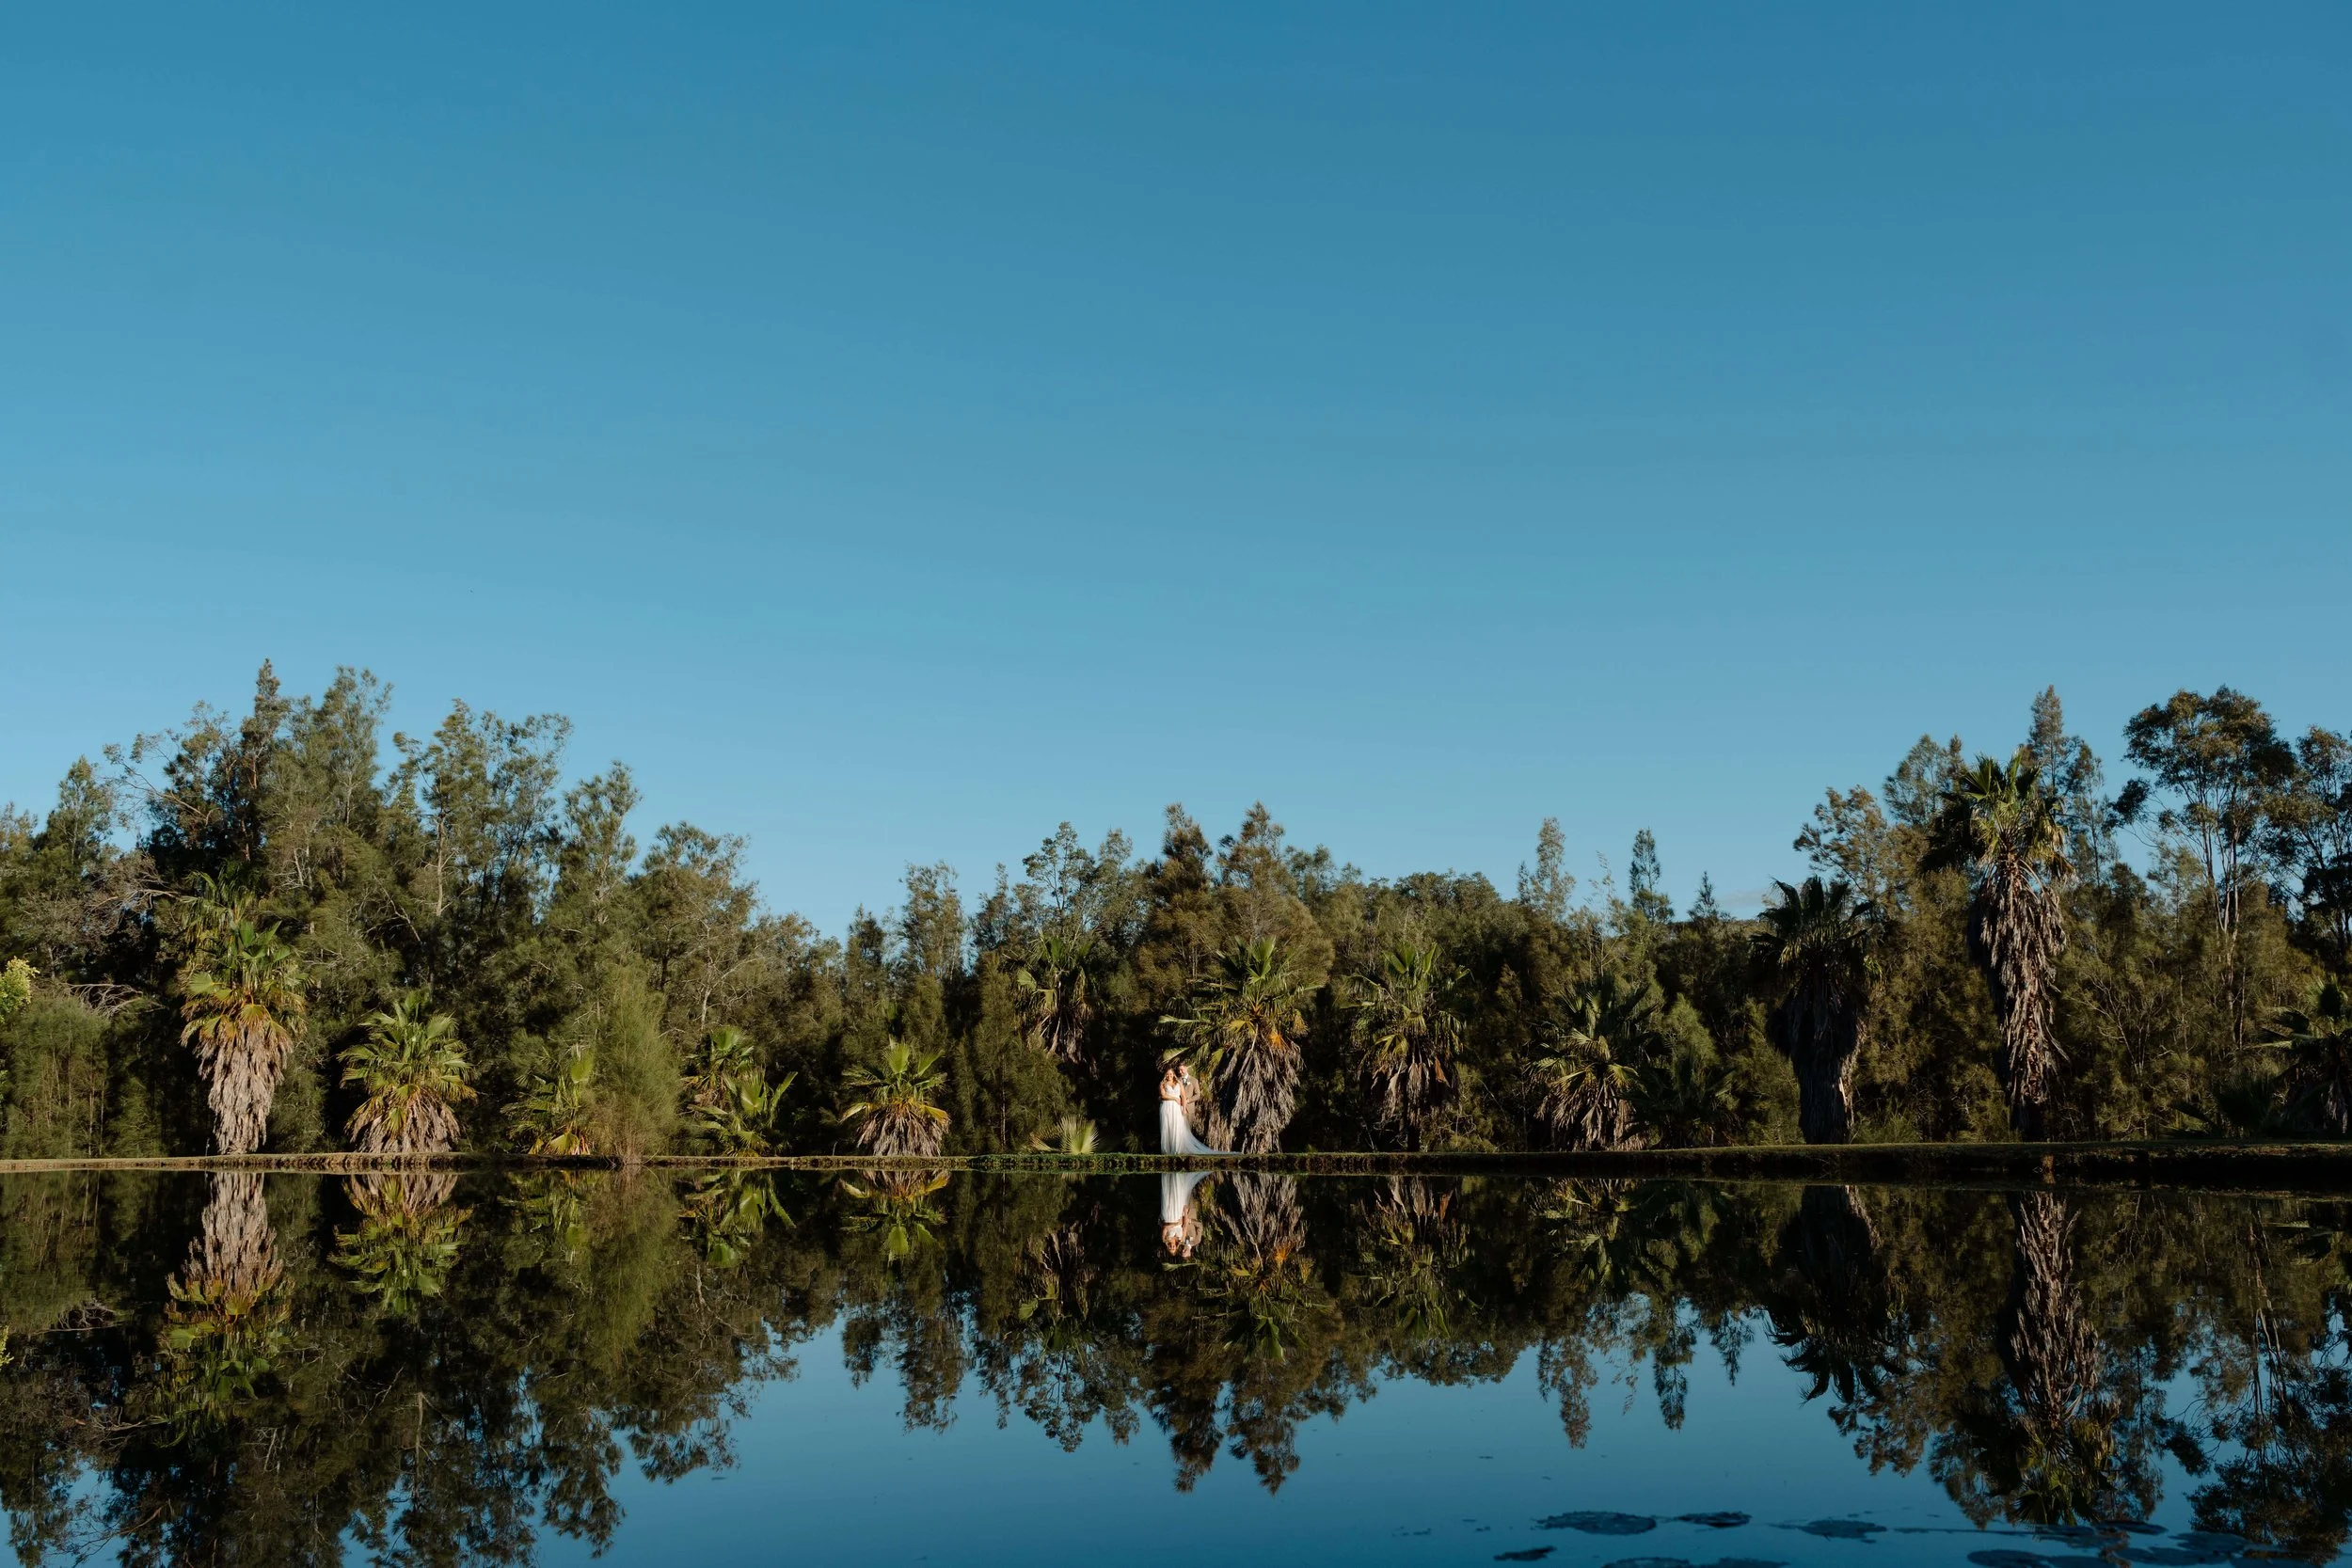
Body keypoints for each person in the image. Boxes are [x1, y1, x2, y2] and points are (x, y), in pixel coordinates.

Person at [1158, 1065, 1228, 1157]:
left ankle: (1182, 1150)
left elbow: (1196, 1095)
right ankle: (1171, 1150)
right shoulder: (1170, 1082)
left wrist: (1186, 1104)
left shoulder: (1192, 1081)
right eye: (1178, 1070)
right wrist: (1173, 1099)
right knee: (1170, 1128)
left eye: (1181, 1070)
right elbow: (1162, 1095)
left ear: (1186, 1069)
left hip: (1186, 1108)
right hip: (1171, 1108)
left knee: (1184, 1131)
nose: (1180, 1072)